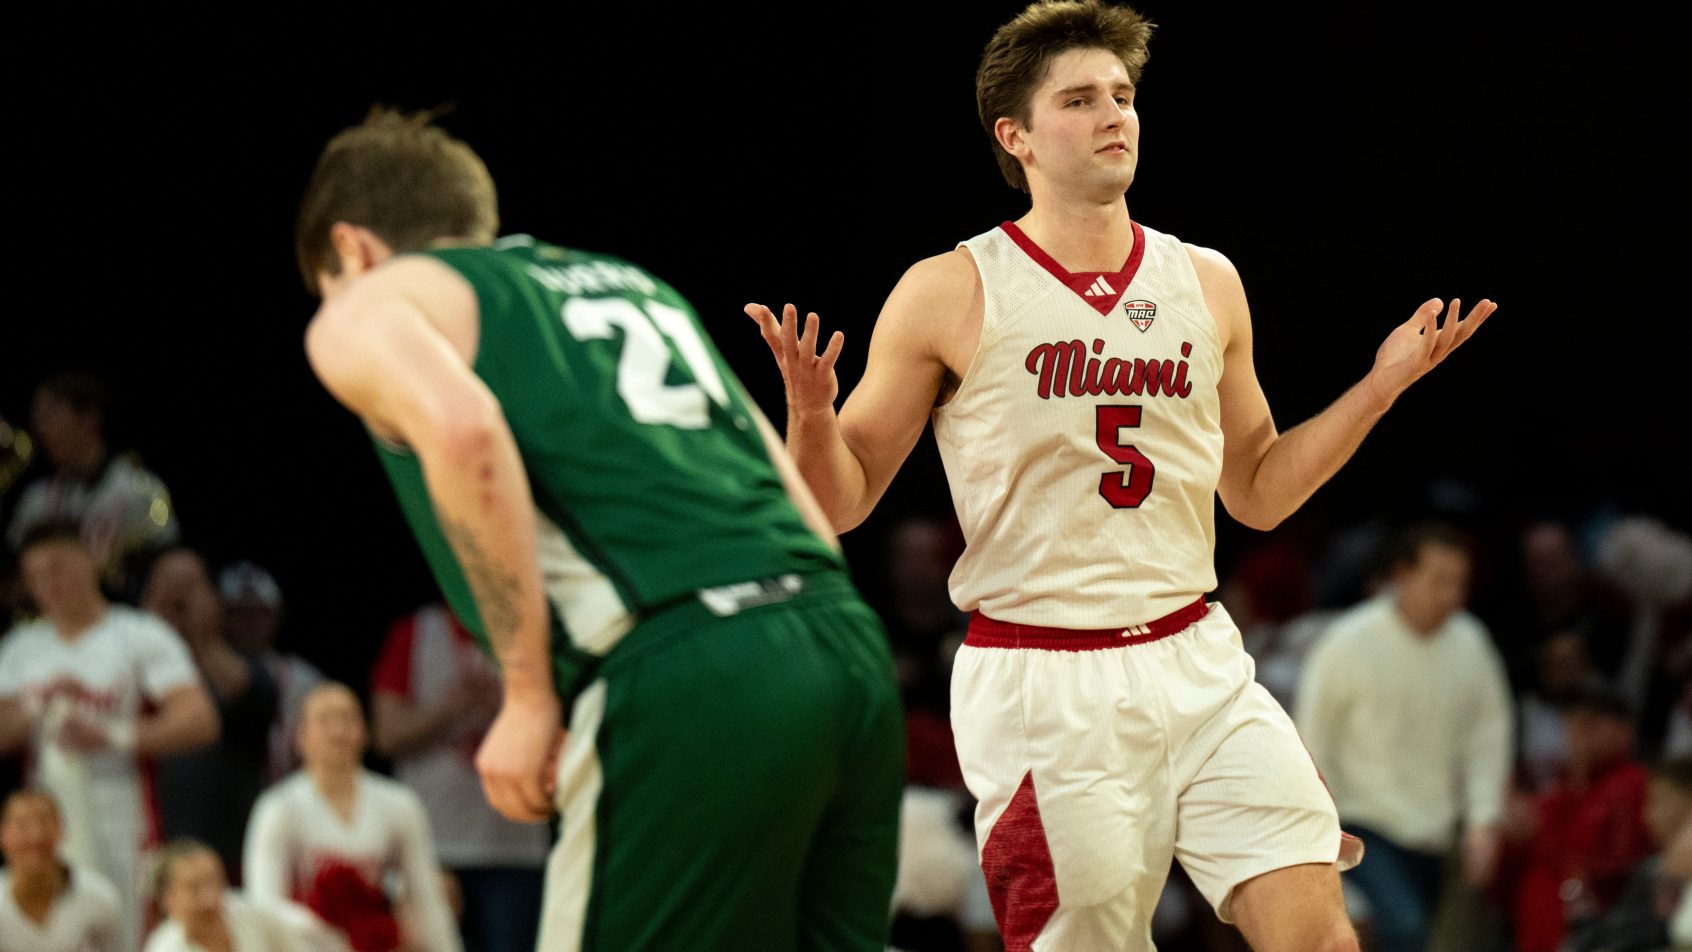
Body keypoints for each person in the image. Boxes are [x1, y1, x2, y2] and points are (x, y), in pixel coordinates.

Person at [742, 2, 1494, 949]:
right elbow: (836, 501)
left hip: (1198, 657)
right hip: (1044, 679)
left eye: (1125, 95)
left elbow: (1257, 489)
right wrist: (811, 416)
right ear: (1014, 136)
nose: (1115, 116)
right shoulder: (951, 288)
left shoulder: (1207, 279)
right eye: (1082, 98)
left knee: (1318, 935)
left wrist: (1378, 389)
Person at [292, 107, 903, 951]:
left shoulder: (369, 303)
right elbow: (801, 504)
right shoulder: (630, 282)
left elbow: (464, 431)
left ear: (350, 248)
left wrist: (530, 693)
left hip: (682, 666)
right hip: (842, 642)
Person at [0, 521, 219, 952]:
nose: (50, 583)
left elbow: (199, 719)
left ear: (90, 561)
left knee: (127, 932)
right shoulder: (19, 647)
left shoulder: (138, 634)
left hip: (124, 813)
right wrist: (34, 706)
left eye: (59, 567)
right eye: (37, 576)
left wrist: (111, 735)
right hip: (44, 821)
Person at [1295, 524, 1514, 952]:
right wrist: (1314, 830)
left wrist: (1484, 821)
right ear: (1402, 575)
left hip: (1439, 830)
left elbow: (1488, 739)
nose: (1451, 595)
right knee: (1407, 928)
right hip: (1364, 823)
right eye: (1439, 581)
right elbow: (1311, 740)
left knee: (1446, 938)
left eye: (1459, 583)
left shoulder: (1471, 642)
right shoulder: (1347, 642)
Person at [368, 604, 546, 952]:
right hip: (433, 845)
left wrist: (512, 710)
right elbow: (386, 736)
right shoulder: (415, 633)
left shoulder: (530, 632)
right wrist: (451, 708)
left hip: (515, 847)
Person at [242, 684, 459, 952]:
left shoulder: (399, 803)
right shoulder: (278, 808)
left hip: (378, 943)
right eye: (325, 720)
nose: (338, 731)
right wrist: (323, 933)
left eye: (348, 719)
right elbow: (263, 905)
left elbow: (427, 898)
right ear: (301, 737)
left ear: (365, 732)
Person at [141, 547, 279, 876]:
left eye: (190, 587)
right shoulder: (127, 673)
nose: (178, 602)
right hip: (149, 856)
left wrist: (201, 638)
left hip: (227, 859)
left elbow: (253, 699)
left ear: (216, 601)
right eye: (167, 588)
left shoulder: (247, 667)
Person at [4, 372, 179, 590]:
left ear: (89, 418)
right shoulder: (36, 498)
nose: (41, 429)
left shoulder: (139, 490)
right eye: (37, 417)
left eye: (51, 415)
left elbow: (165, 566)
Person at [145, 839, 345, 952]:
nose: (210, 898)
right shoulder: (164, 947)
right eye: (194, 888)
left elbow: (305, 937)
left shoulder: (252, 914)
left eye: (216, 882)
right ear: (167, 898)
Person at [0, 789, 121, 952]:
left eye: (44, 822)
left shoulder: (100, 897)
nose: (36, 836)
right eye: (22, 825)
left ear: (61, 828)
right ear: (3, 833)